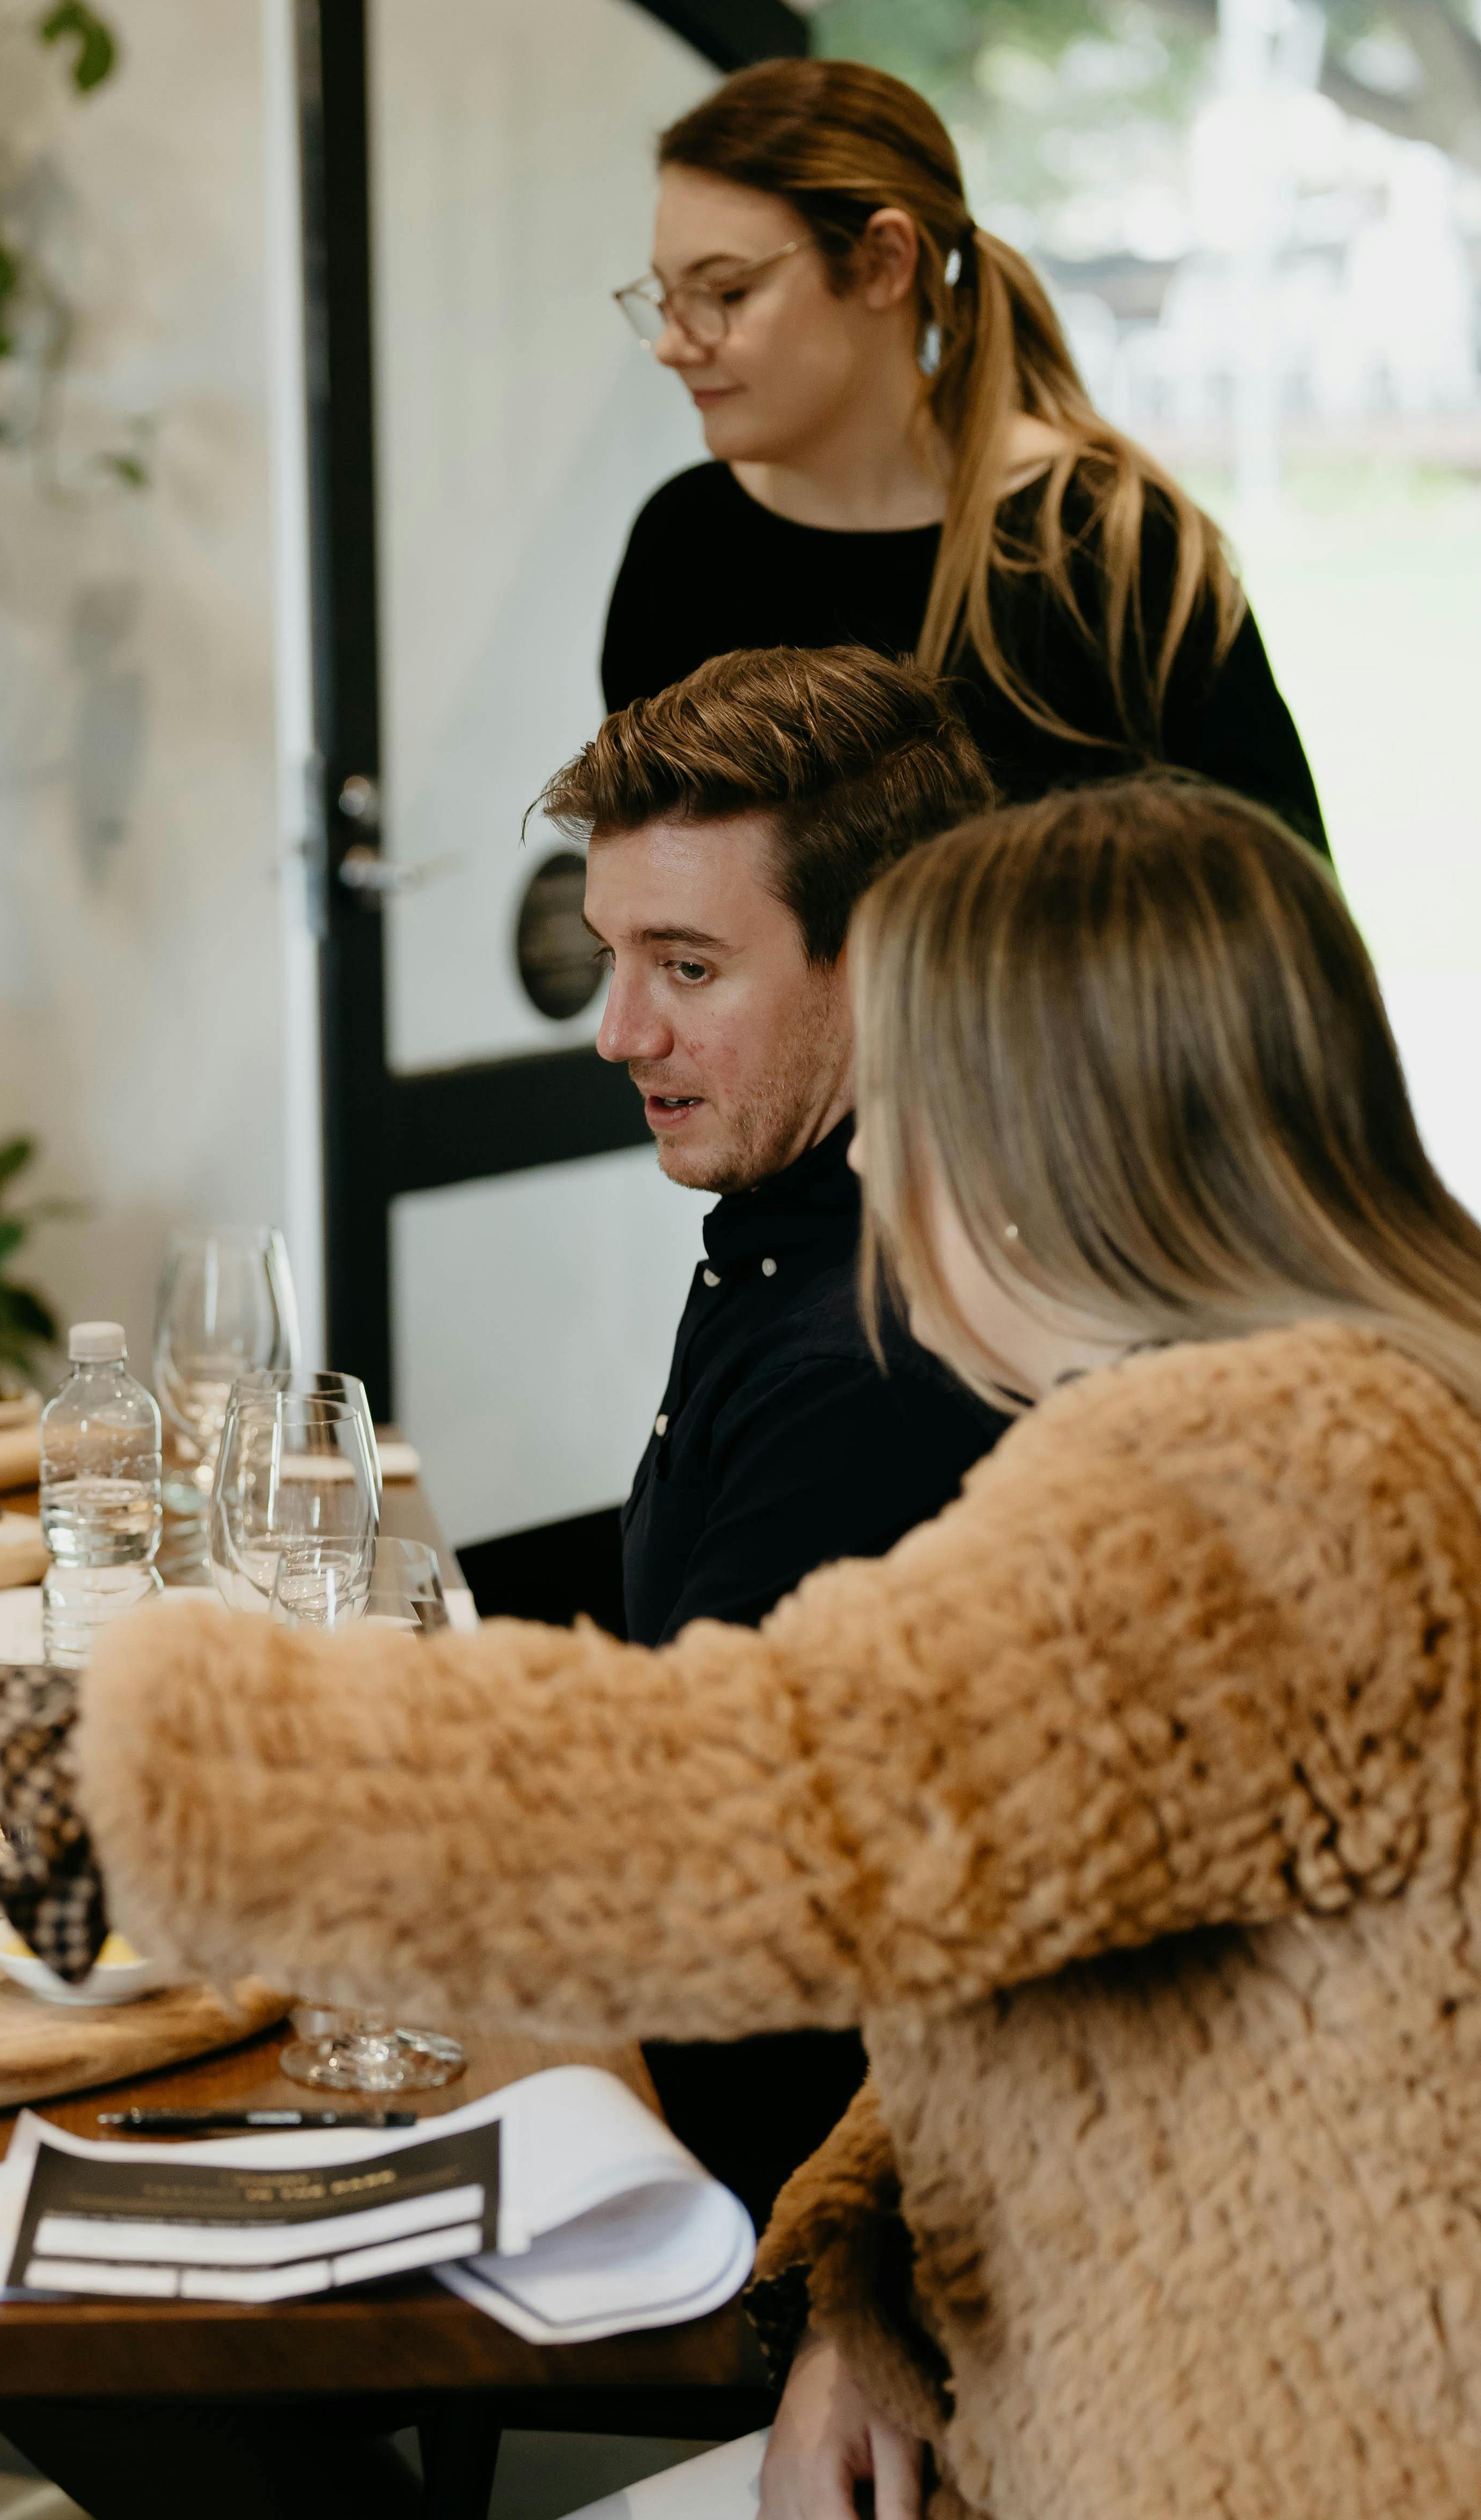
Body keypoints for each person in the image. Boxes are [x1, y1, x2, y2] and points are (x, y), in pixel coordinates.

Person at [0, 779, 1481, 2519]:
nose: (875, 1168)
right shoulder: (1411, 1406)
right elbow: (1025, 1920)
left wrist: (17, 1734)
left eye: (915, 1103)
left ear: (1039, 1138)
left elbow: (732, 1803)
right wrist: (863, 2287)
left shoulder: (1260, 1484)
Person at [566, 645, 1013, 2228]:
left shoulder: (876, 1356)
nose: (621, 1033)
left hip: (772, 2189)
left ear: (883, 960)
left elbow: (695, 1855)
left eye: (687, 969)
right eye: (613, 958)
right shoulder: (794, 1226)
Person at [600, 58, 1326, 846]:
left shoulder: (1106, 542)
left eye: (728, 293)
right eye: (668, 299)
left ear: (884, 262)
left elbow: (1279, 908)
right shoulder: (682, 543)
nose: (674, 344)